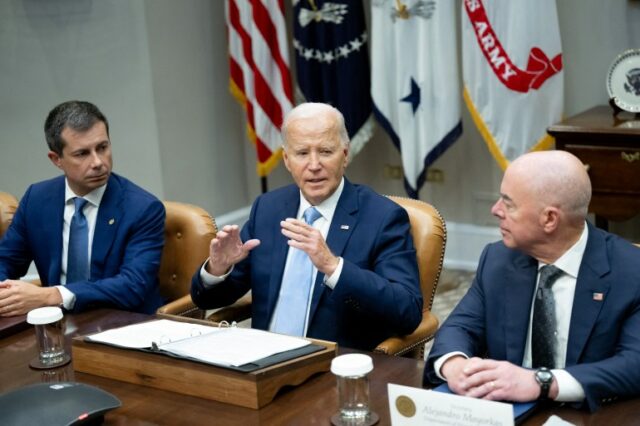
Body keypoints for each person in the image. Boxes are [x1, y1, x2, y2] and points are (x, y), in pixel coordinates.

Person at [191, 102, 422, 350]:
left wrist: (333, 267)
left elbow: (407, 311)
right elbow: (208, 299)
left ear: (345, 155)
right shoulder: (268, 208)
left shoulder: (383, 217)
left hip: (332, 366)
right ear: (287, 160)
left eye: (325, 151)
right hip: (260, 362)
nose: (314, 165)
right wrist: (218, 268)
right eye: (302, 153)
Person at [424, 150, 640, 412]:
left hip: (589, 413)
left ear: (549, 218)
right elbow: (459, 328)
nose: (495, 210)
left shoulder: (630, 272)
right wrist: (455, 365)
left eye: (508, 203)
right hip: (507, 411)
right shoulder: (498, 259)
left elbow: (634, 364)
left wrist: (542, 382)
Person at [0, 100, 165, 316]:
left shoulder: (143, 209)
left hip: (121, 324)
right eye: (82, 153)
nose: (98, 162)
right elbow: (6, 260)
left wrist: (53, 296)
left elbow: (132, 286)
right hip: (54, 325)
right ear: (56, 159)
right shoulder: (37, 199)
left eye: (102, 147)